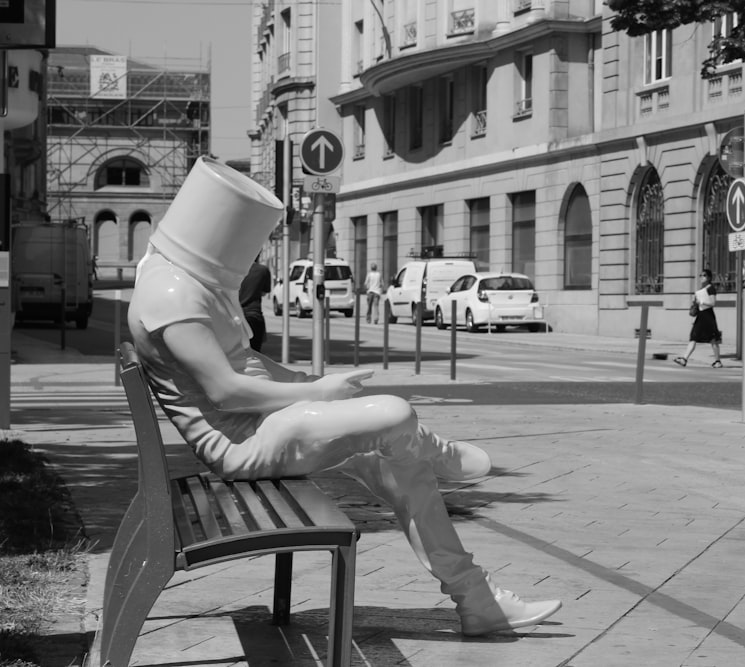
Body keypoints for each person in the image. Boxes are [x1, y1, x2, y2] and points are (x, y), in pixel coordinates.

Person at [127, 157, 561, 636]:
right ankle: (439, 453)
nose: (251, 258)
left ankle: (477, 598)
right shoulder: (171, 294)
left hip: (264, 424)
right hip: (242, 443)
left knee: (401, 470)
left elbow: (245, 363)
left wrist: (306, 383)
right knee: (394, 414)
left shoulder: (183, 279)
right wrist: (316, 390)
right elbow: (225, 392)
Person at [674, 268, 723, 368]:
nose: (701, 277)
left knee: (713, 339)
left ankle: (717, 361)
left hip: (708, 316)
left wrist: (701, 301)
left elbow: (713, 303)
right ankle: (684, 359)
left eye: (704, 275)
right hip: (700, 316)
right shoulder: (701, 290)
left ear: (709, 277)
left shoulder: (710, 288)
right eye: (700, 275)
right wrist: (695, 301)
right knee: (693, 337)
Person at [238, 255, 271, 351]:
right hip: (254, 314)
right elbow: (264, 292)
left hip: (235, 315)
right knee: (255, 352)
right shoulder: (263, 270)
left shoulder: (234, 270)